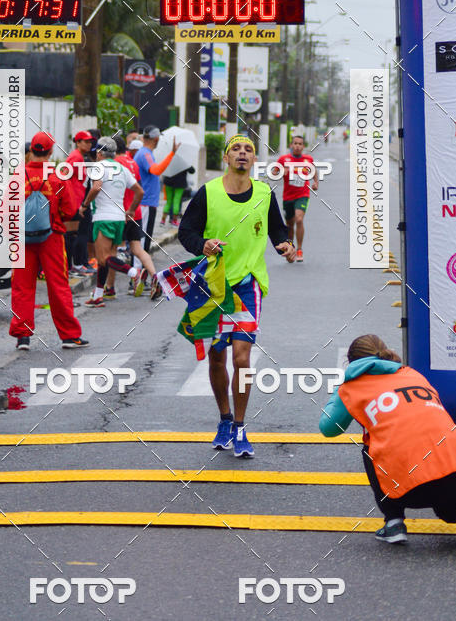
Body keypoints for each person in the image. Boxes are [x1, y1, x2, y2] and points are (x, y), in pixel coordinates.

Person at [178, 134, 296, 458]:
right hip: (213, 285)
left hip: (248, 282)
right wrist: (202, 244)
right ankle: (225, 419)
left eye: (248, 150)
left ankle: (242, 427)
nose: (242, 154)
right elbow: (185, 232)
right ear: (227, 158)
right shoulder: (209, 193)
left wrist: (284, 245)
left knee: (242, 356)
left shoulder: (263, 193)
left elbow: (277, 229)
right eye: (236, 150)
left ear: (253, 160)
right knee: (217, 357)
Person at [319, 334, 456, 548]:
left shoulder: (353, 386)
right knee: (446, 509)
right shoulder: (411, 374)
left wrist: (342, 389)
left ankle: (394, 521)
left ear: (351, 363)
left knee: (371, 445)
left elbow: (329, 428)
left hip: (408, 488)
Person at [9, 132, 89, 350]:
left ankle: (22, 337)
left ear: (31, 150)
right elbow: (70, 210)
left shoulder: (17, 175)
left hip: (23, 238)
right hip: (52, 237)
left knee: (22, 286)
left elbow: (7, 209)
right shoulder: (57, 176)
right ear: (51, 151)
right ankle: (69, 336)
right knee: (58, 285)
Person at [81, 137, 145, 308]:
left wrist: (84, 205)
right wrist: (130, 210)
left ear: (99, 153)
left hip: (103, 217)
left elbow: (96, 188)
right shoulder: (122, 168)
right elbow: (139, 191)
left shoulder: (98, 167)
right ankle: (98, 296)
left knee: (103, 258)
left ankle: (134, 272)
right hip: (119, 218)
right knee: (106, 259)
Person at [105, 136, 159, 298]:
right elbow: (139, 187)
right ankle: (155, 278)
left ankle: (110, 288)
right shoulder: (132, 162)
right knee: (138, 249)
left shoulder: (116, 164)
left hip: (121, 213)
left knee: (111, 251)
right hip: (136, 212)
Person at [134, 126, 180, 252]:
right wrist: (172, 154)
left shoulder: (144, 153)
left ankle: (140, 268)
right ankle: (139, 269)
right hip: (145, 203)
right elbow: (156, 170)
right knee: (142, 240)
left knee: (144, 239)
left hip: (146, 203)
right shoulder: (145, 154)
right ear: (156, 139)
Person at [277, 134, 317, 263]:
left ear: (303, 146)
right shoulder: (284, 159)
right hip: (288, 197)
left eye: (300, 144)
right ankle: (291, 249)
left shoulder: (308, 159)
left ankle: (299, 249)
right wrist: (281, 172)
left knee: (299, 219)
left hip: (302, 195)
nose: (297, 146)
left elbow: (314, 171)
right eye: (295, 143)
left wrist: (315, 182)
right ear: (291, 145)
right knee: (290, 226)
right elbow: (273, 173)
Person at [65, 131, 96, 275]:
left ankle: (73, 266)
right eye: (86, 141)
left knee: (75, 235)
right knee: (73, 235)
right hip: (75, 203)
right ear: (78, 142)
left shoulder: (80, 157)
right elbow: (65, 180)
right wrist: (76, 204)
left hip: (78, 202)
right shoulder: (75, 158)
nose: (89, 144)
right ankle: (73, 266)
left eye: (90, 141)